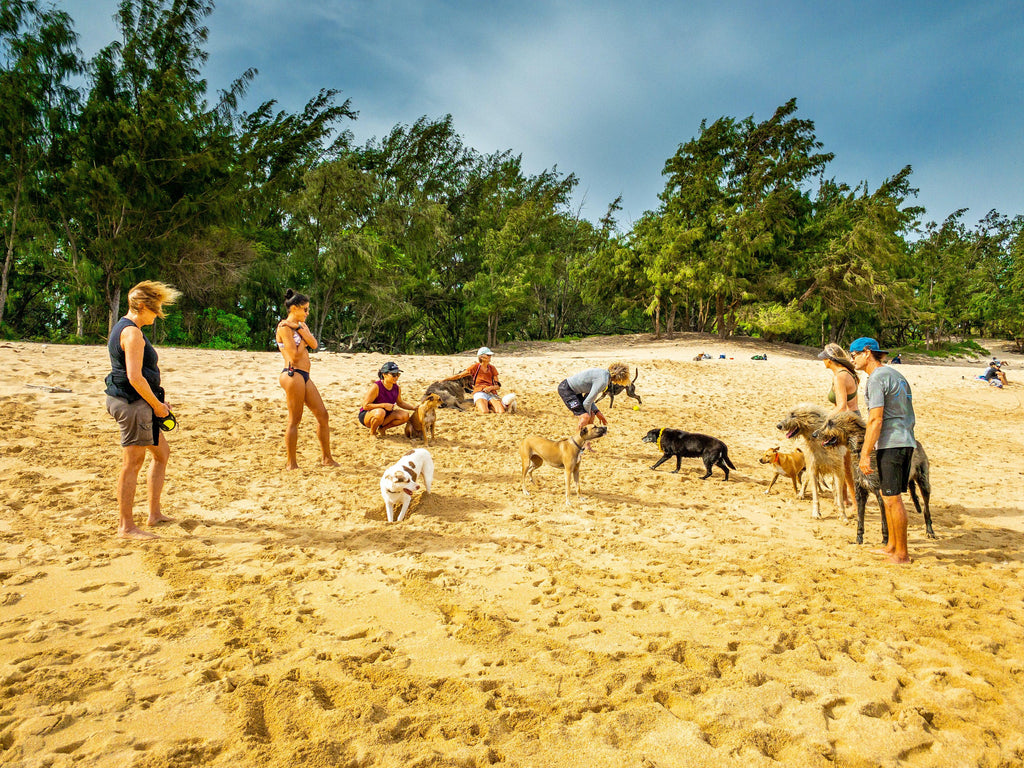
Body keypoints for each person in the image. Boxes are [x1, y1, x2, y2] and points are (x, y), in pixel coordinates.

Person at [104, 281, 181, 540]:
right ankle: (126, 527)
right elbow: (135, 377)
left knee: (162, 453)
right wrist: (157, 406)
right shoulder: (132, 333)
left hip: (137, 402)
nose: (157, 315)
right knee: (133, 463)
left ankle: (154, 513)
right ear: (142, 306)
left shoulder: (128, 328)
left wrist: (156, 403)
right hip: (131, 403)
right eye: (155, 310)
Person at [850, 337, 916, 564]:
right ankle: (891, 546)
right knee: (887, 496)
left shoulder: (877, 378)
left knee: (892, 498)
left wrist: (865, 453)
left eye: (854, 354)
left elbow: (875, 420)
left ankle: (901, 554)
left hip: (892, 442)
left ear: (867, 353)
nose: (853, 359)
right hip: (905, 439)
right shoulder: (895, 375)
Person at [277, 289, 339, 470]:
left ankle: (327, 458)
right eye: (304, 309)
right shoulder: (284, 328)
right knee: (294, 420)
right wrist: (302, 335)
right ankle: (291, 463)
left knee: (323, 415)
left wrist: (301, 331)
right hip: (292, 374)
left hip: (304, 376)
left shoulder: (300, 326)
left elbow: (315, 344)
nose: (307, 313)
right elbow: (295, 356)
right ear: (294, 308)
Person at [817, 342, 860, 504]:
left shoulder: (840, 376)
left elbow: (841, 406)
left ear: (830, 360)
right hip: (852, 417)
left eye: (824, 358)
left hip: (846, 421)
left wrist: (825, 420)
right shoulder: (848, 373)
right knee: (843, 462)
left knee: (846, 465)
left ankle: (854, 501)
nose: (823, 361)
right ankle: (844, 498)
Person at [557, 363, 632, 430]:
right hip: (566, 389)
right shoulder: (603, 381)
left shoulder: (603, 373)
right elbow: (586, 403)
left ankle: (587, 439)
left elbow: (588, 398)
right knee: (585, 417)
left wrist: (597, 412)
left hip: (573, 390)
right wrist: (589, 421)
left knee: (591, 414)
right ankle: (580, 442)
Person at [359, 361, 416, 437]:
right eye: (393, 375)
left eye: (398, 374)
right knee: (380, 412)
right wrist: (384, 405)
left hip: (385, 414)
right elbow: (365, 406)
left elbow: (400, 403)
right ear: (384, 374)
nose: (396, 377)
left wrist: (413, 408)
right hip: (369, 415)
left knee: (405, 415)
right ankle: (372, 433)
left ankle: (382, 429)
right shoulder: (376, 386)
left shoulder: (397, 388)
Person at [449, 346, 506, 414]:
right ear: (481, 357)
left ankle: (488, 404)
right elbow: (460, 375)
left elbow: (498, 386)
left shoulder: (492, 368)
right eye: (488, 355)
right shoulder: (475, 367)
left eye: (490, 355)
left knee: (501, 411)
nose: (490, 356)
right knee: (484, 411)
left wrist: (491, 388)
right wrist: (444, 379)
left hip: (491, 393)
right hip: (479, 392)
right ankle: (484, 404)